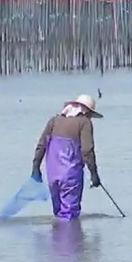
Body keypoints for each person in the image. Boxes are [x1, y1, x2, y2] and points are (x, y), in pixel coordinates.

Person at [31, 93, 102, 221]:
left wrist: (36, 167)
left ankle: (56, 239)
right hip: (71, 175)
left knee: (58, 214)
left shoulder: (54, 121)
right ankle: (70, 239)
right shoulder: (84, 122)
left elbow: (42, 145)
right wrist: (94, 174)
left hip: (52, 175)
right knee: (69, 215)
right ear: (87, 112)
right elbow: (87, 150)